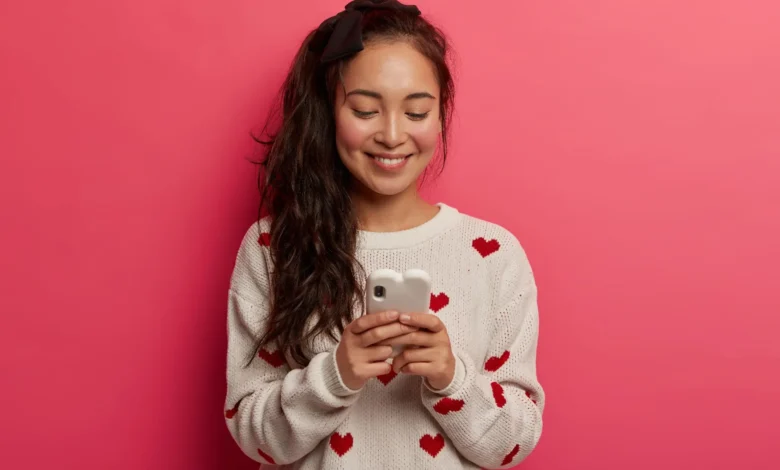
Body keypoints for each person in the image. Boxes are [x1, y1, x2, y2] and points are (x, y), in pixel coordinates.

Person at [224, 1, 544, 468]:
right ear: (329, 110)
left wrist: (452, 378)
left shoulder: (492, 255)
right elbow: (256, 437)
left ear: (441, 115)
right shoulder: (275, 247)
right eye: (366, 110)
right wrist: (336, 375)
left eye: (416, 112)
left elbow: (515, 442)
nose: (392, 135)